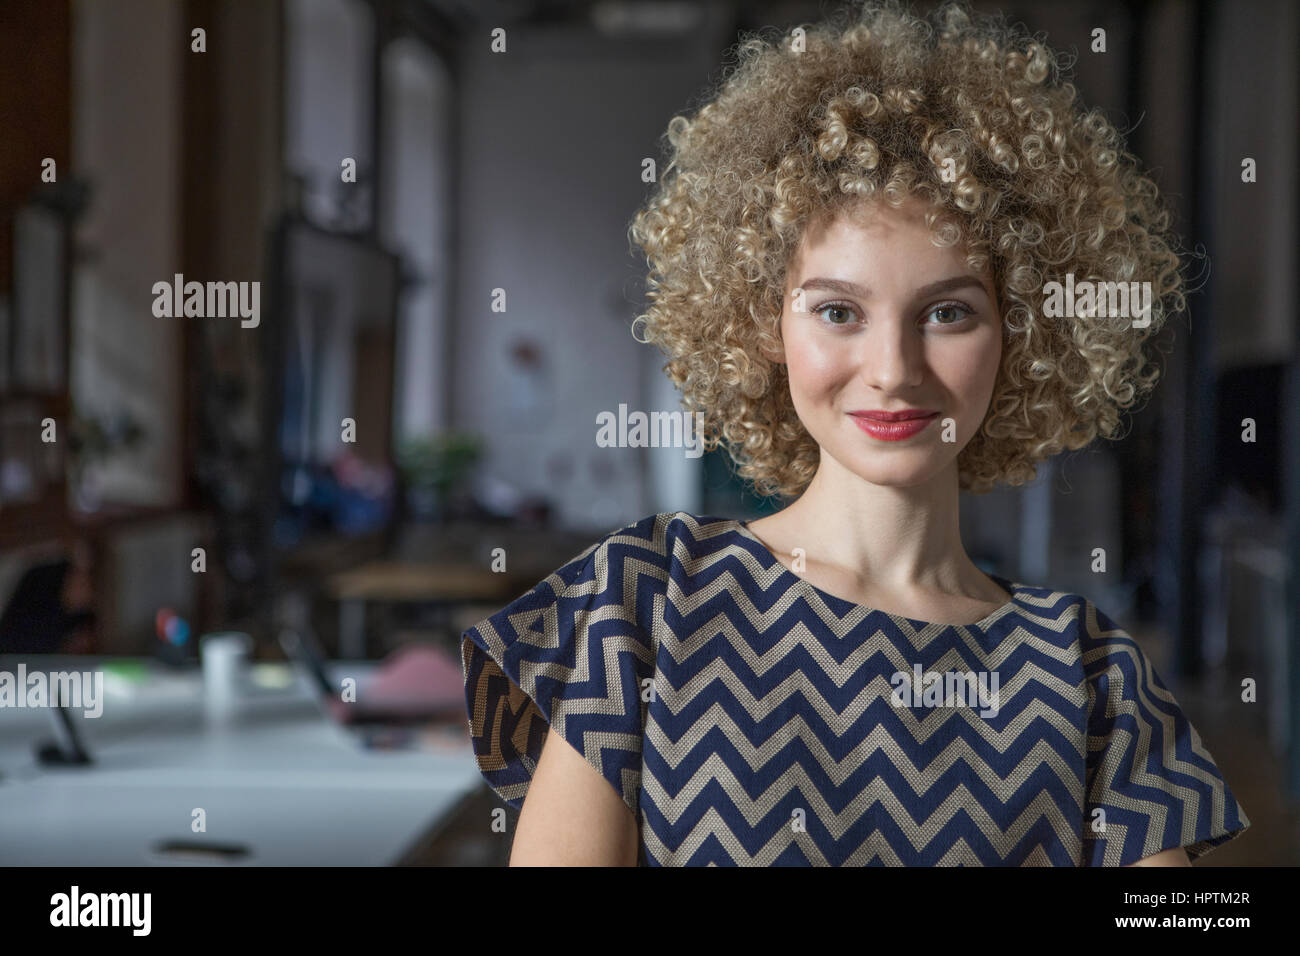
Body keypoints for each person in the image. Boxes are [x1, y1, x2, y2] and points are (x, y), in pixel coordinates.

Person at [460, 0, 1249, 866]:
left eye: (948, 312)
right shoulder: (642, 605)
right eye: (839, 310)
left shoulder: (1093, 675)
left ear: (1026, 331)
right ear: (765, 321)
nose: (892, 368)